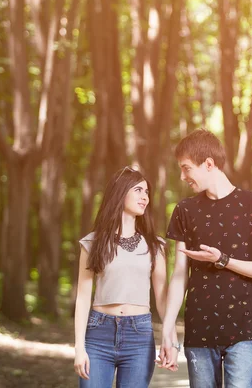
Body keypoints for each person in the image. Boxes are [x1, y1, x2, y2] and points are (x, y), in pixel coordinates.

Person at [158, 129, 252, 388]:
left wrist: (223, 259)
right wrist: (167, 328)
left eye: (187, 168)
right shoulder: (184, 210)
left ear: (208, 164)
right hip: (198, 333)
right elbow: (179, 275)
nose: (183, 176)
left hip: (243, 332)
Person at [73, 166, 178, 388]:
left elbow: (161, 299)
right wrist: (79, 349)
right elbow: (83, 298)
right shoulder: (92, 243)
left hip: (139, 337)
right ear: (121, 192)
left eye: (147, 192)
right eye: (138, 190)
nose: (145, 197)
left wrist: (171, 340)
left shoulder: (155, 245)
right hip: (98, 334)